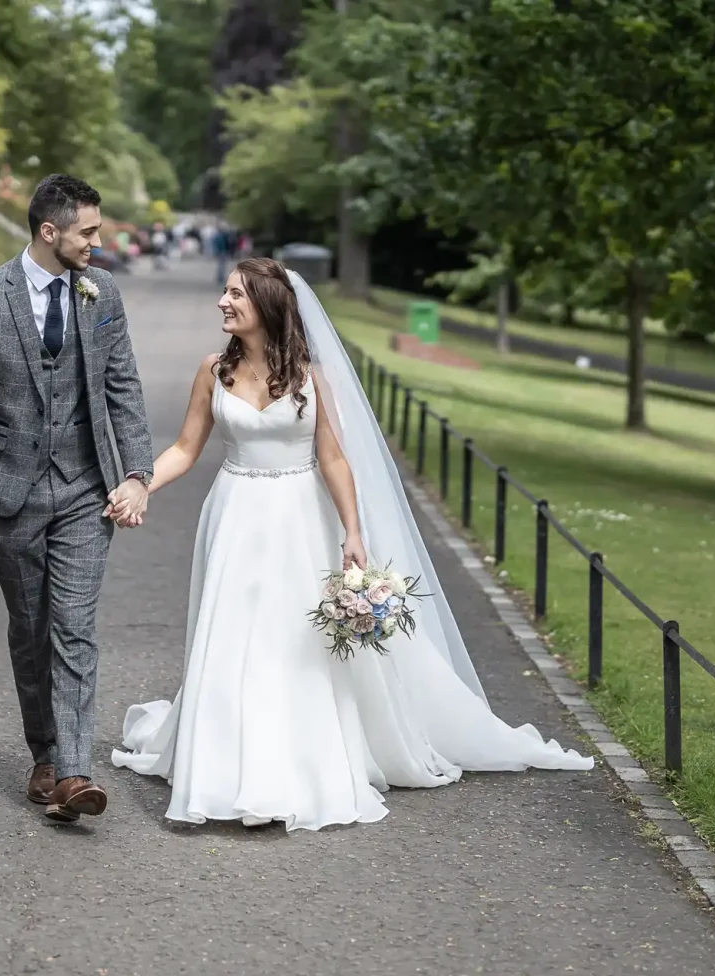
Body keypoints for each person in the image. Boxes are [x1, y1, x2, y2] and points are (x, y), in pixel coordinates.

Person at [110, 258, 592, 832]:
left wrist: (353, 533)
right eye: (225, 291)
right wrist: (141, 483)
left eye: (235, 293)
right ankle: (222, 764)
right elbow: (186, 448)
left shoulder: (313, 377)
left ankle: (296, 761)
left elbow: (333, 458)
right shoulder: (212, 370)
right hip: (236, 512)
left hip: (300, 517)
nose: (222, 301)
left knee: (293, 638)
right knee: (233, 631)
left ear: (265, 303)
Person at [0, 173, 155, 824]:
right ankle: (47, 755)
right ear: (48, 232)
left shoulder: (102, 291)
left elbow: (124, 389)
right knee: (31, 632)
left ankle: (77, 770)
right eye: (88, 231)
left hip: (87, 487)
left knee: (74, 630)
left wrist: (137, 473)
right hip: (7, 490)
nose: (98, 241)